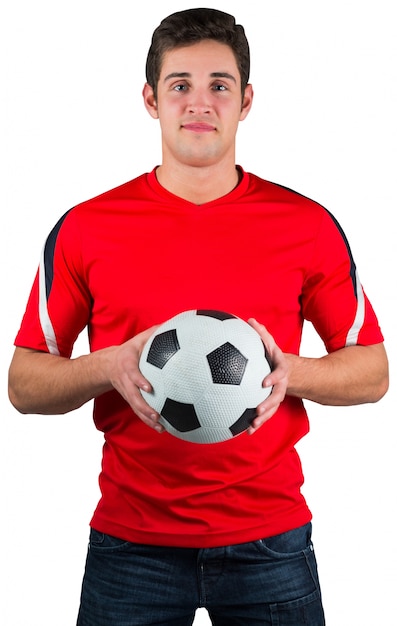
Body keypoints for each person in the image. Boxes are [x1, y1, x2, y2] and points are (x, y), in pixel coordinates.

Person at [8, 7, 388, 626]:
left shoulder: (306, 225)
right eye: (180, 85)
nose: (200, 103)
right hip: (131, 545)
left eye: (220, 85)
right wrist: (107, 365)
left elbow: (373, 371)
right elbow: (24, 385)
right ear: (151, 101)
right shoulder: (87, 228)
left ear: (246, 101)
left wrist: (289, 372)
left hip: (271, 540)